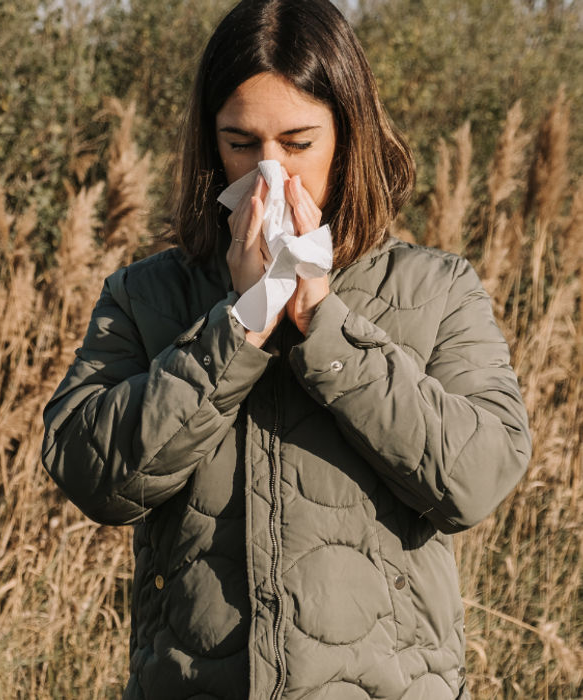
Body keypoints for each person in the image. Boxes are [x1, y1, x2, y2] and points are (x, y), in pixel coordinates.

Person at [40, 1, 530, 699]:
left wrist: (325, 326)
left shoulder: (436, 288)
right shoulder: (146, 294)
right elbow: (91, 474)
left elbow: (476, 480)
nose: (270, 175)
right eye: (241, 144)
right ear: (211, 146)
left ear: (348, 138)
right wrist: (237, 327)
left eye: (297, 143)